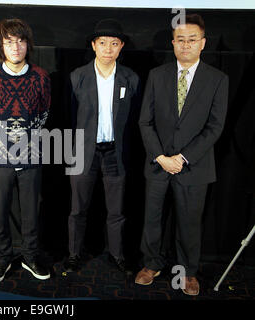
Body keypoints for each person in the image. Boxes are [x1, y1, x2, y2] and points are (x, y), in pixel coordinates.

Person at [136, 14, 228, 296]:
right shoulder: (157, 75)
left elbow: (215, 127)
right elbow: (145, 122)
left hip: (194, 167)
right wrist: (161, 157)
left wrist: (183, 158)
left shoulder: (217, 79)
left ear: (202, 43)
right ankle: (151, 264)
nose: (185, 45)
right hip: (158, 163)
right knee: (152, 219)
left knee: (188, 222)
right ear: (173, 43)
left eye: (192, 40)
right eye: (180, 40)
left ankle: (187, 271)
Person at [0, 18, 51, 283]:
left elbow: (43, 114)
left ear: (27, 44)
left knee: (31, 211)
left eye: (20, 41)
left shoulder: (40, 77)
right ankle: (2, 258)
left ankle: (30, 256)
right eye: (9, 42)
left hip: (32, 156)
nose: (15, 47)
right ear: (1, 46)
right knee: (0, 211)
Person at [63, 19, 140, 275]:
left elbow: (135, 122)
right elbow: (70, 118)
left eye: (114, 44)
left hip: (115, 153)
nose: (108, 48)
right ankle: (74, 254)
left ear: (121, 47)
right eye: (103, 43)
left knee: (117, 210)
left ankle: (117, 255)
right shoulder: (77, 77)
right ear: (94, 46)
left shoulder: (131, 78)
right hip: (84, 152)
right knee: (77, 209)